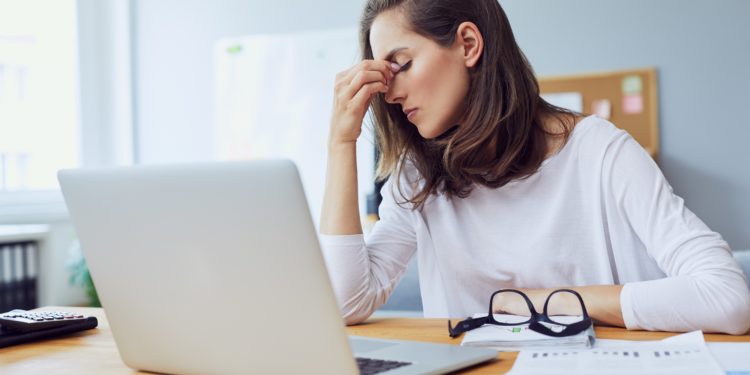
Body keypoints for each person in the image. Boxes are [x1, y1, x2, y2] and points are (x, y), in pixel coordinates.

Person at [319, 0, 750, 334]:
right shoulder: (419, 177)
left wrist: (547, 301)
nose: (390, 94)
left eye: (403, 65)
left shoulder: (600, 152)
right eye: (384, 76)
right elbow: (345, 304)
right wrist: (341, 142)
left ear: (468, 44)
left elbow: (727, 297)